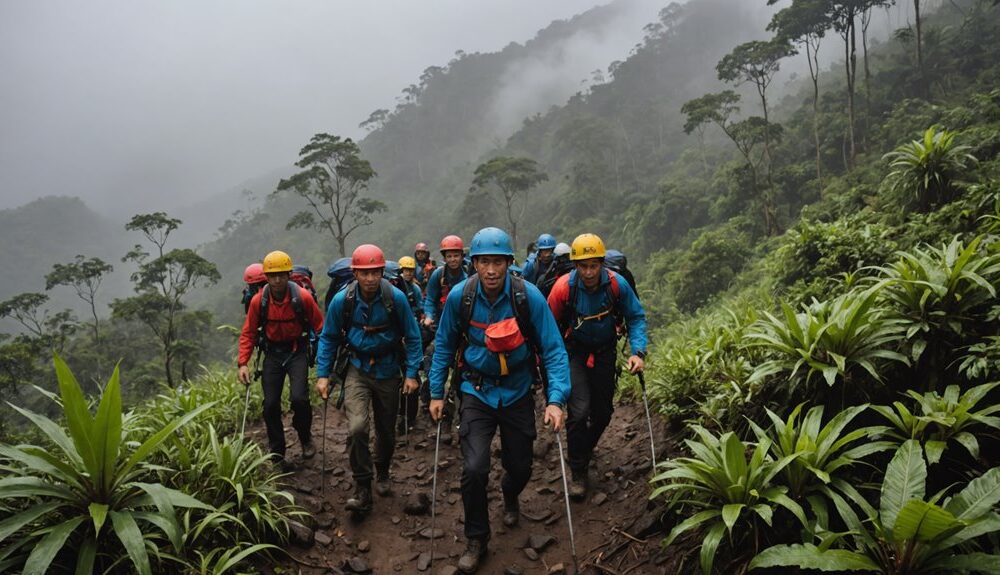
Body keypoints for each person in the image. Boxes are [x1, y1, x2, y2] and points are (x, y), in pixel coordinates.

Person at [428, 227, 570, 574]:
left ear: (509, 263)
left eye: (498, 263)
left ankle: (510, 494)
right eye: (484, 263)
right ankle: (477, 537)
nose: (491, 271)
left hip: (518, 389)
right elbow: (445, 344)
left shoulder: (528, 296)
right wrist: (436, 392)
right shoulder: (461, 297)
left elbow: (552, 349)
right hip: (475, 391)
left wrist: (556, 399)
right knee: (474, 468)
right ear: (474, 263)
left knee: (520, 466)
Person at [314, 244, 422, 518]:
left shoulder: (395, 298)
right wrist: (323, 375)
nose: (371, 279)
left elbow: (412, 335)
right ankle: (363, 486)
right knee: (358, 427)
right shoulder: (343, 300)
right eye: (365, 273)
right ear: (355, 273)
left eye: (375, 273)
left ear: (382, 272)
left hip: (388, 369)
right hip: (358, 368)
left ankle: (382, 469)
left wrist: (411, 373)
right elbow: (328, 337)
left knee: (386, 431)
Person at [547, 233, 647, 501]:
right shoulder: (562, 288)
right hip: (574, 353)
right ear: (575, 265)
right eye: (583, 266)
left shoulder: (616, 284)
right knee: (579, 413)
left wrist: (638, 352)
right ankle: (578, 470)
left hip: (604, 352)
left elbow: (635, 316)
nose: (589, 272)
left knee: (603, 413)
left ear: (601, 263)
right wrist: (550, 361)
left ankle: (582, 450)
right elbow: (547, 327)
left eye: (594, 265)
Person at [238, 250, 324, 469]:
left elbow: (320, 326)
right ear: (266, 277)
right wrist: (243, 363)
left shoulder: (302, 297)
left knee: (299, 399)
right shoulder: (260, 301)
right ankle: (277, 453)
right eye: (273, 275)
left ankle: (305, 437)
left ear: (289, 275)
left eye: (282, 275)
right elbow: (248, 332)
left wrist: (325, 362)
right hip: (273, 355)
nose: (277, 280)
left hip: (297, 352)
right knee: (270, 405)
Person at [394, 256, 425, 434]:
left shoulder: (415, 289)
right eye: (405, 270)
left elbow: (419, 309)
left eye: (410, 270)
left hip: (411, 334)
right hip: (397, 339)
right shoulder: (394, 291)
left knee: (412, 376)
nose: (408, 273)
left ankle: (409, 417)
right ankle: (399, 415)